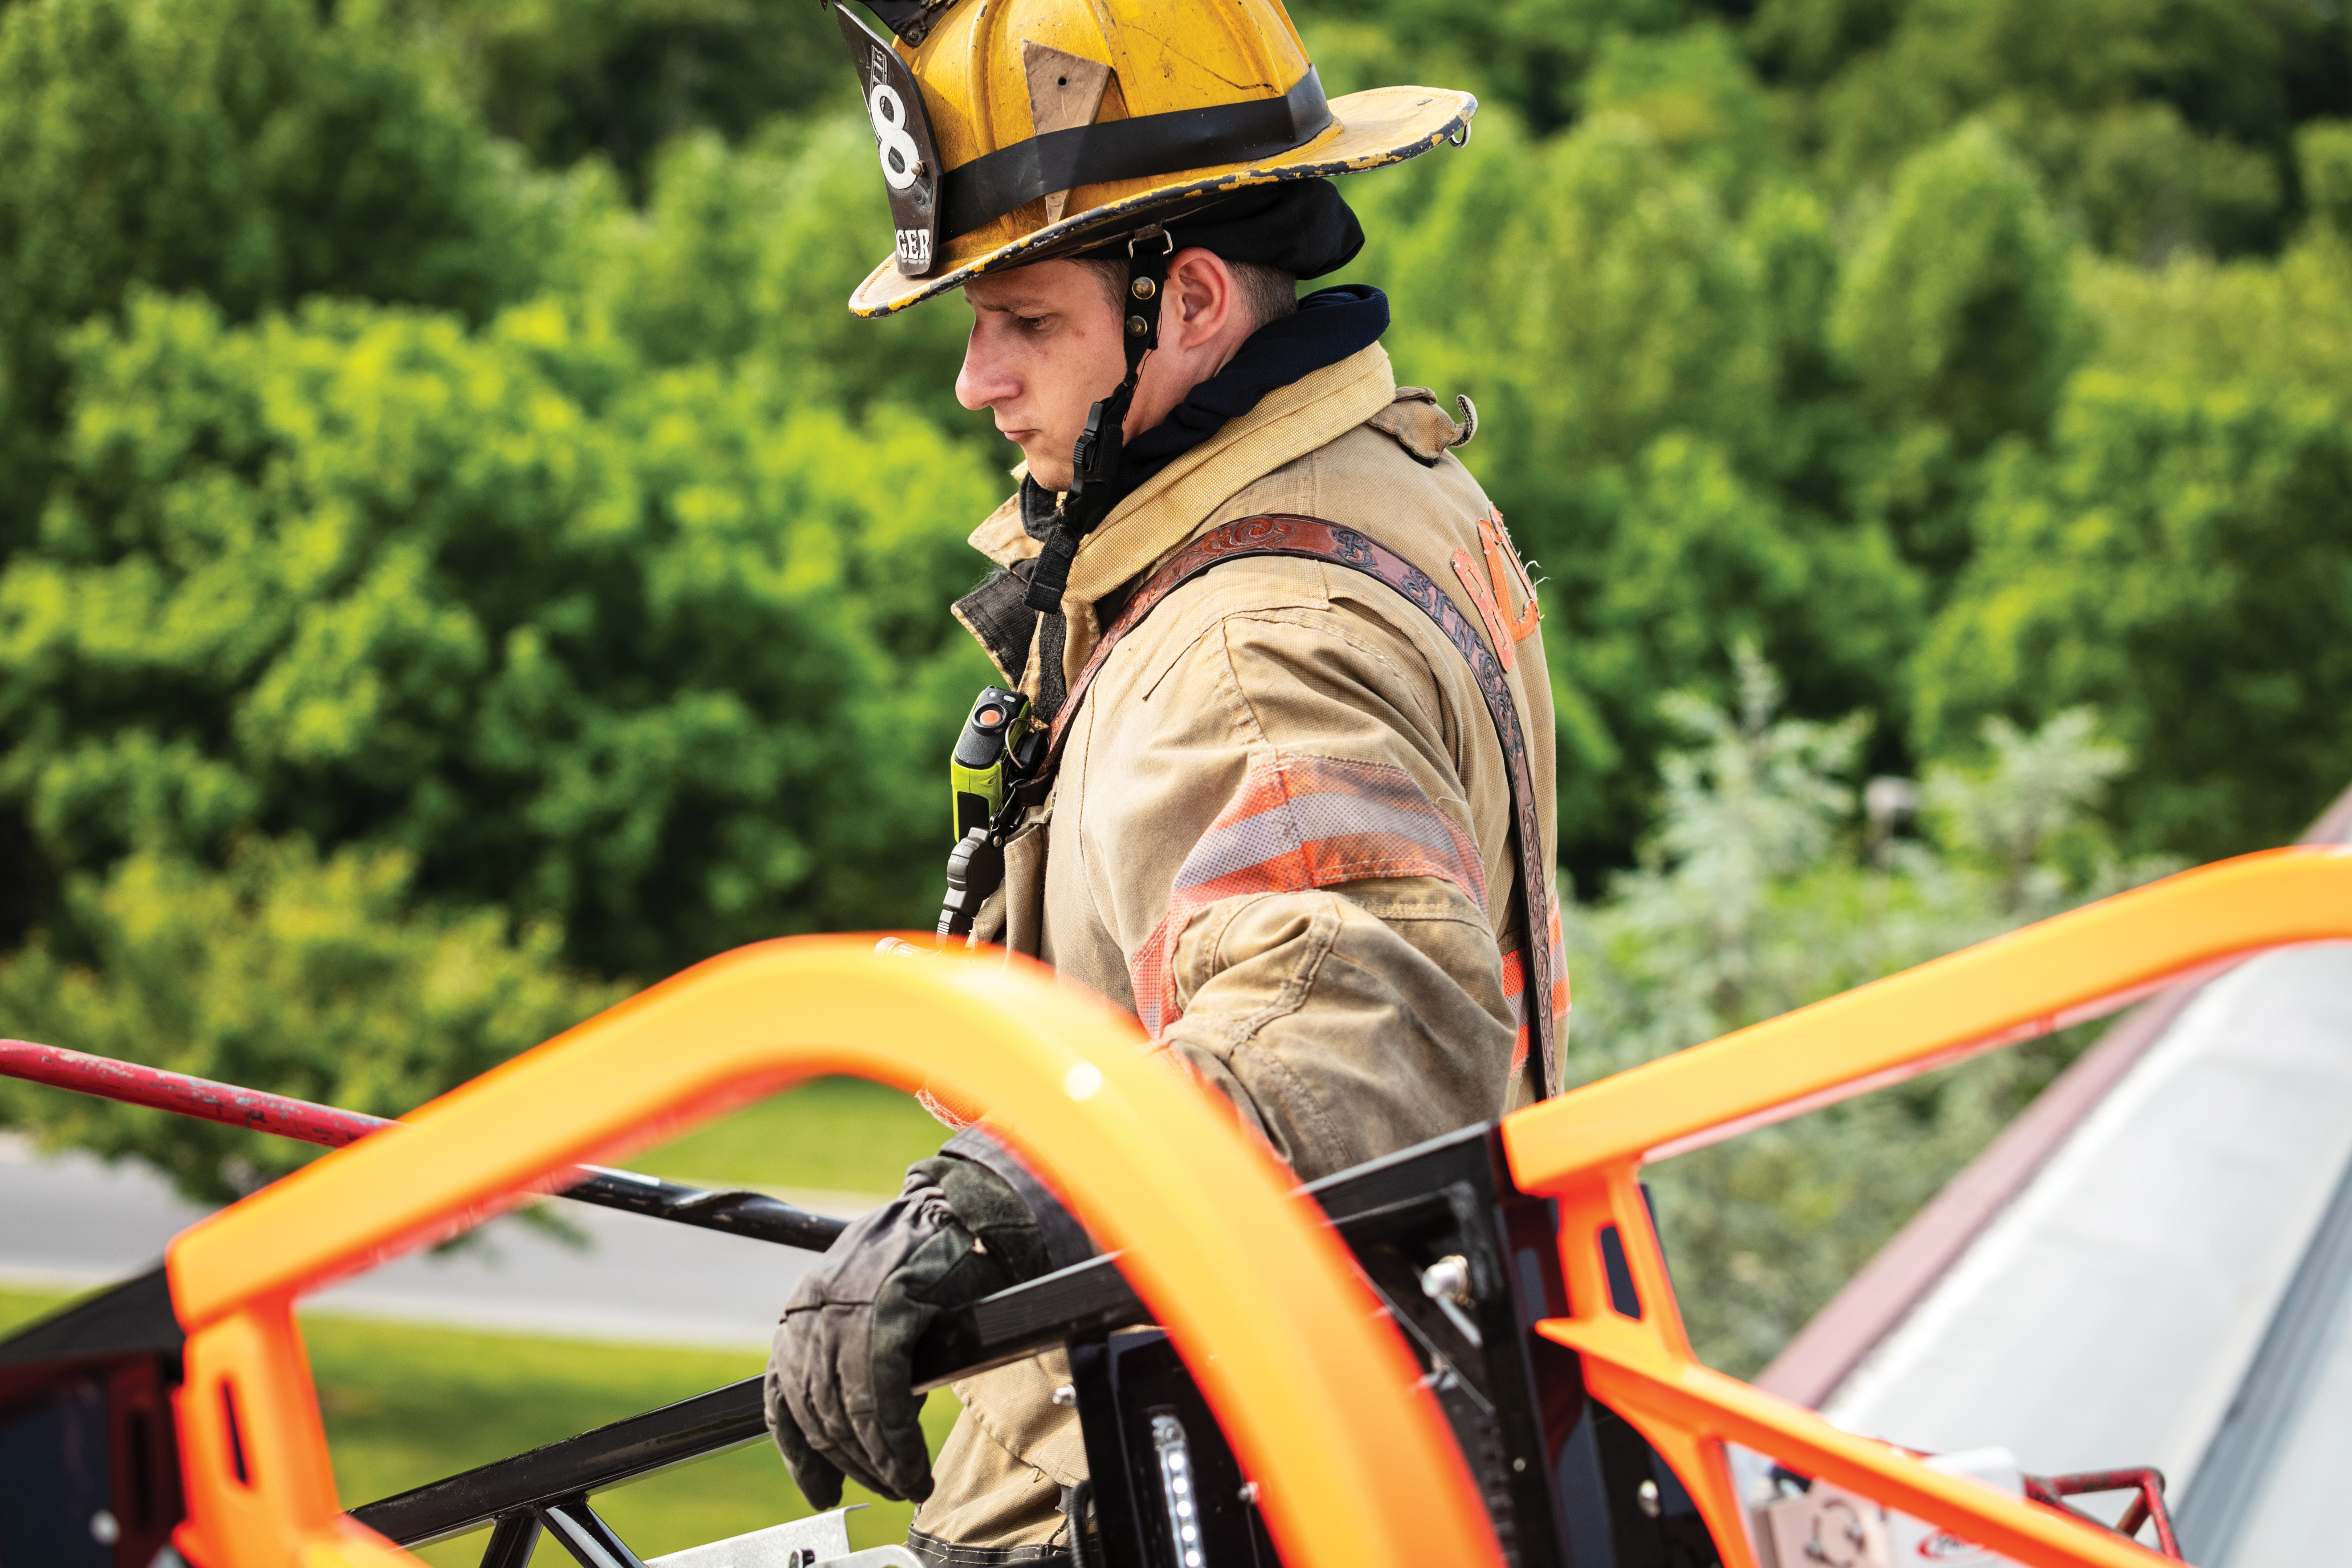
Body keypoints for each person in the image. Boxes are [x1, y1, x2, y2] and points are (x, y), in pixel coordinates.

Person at [765, 3, 1567, 1564]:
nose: (975, 382)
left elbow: (1352, 1033)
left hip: (1190, 1491)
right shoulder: (1371, 480)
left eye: (1027, 321)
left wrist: (994, 1203)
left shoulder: (1251, 644)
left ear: (1187, 298)